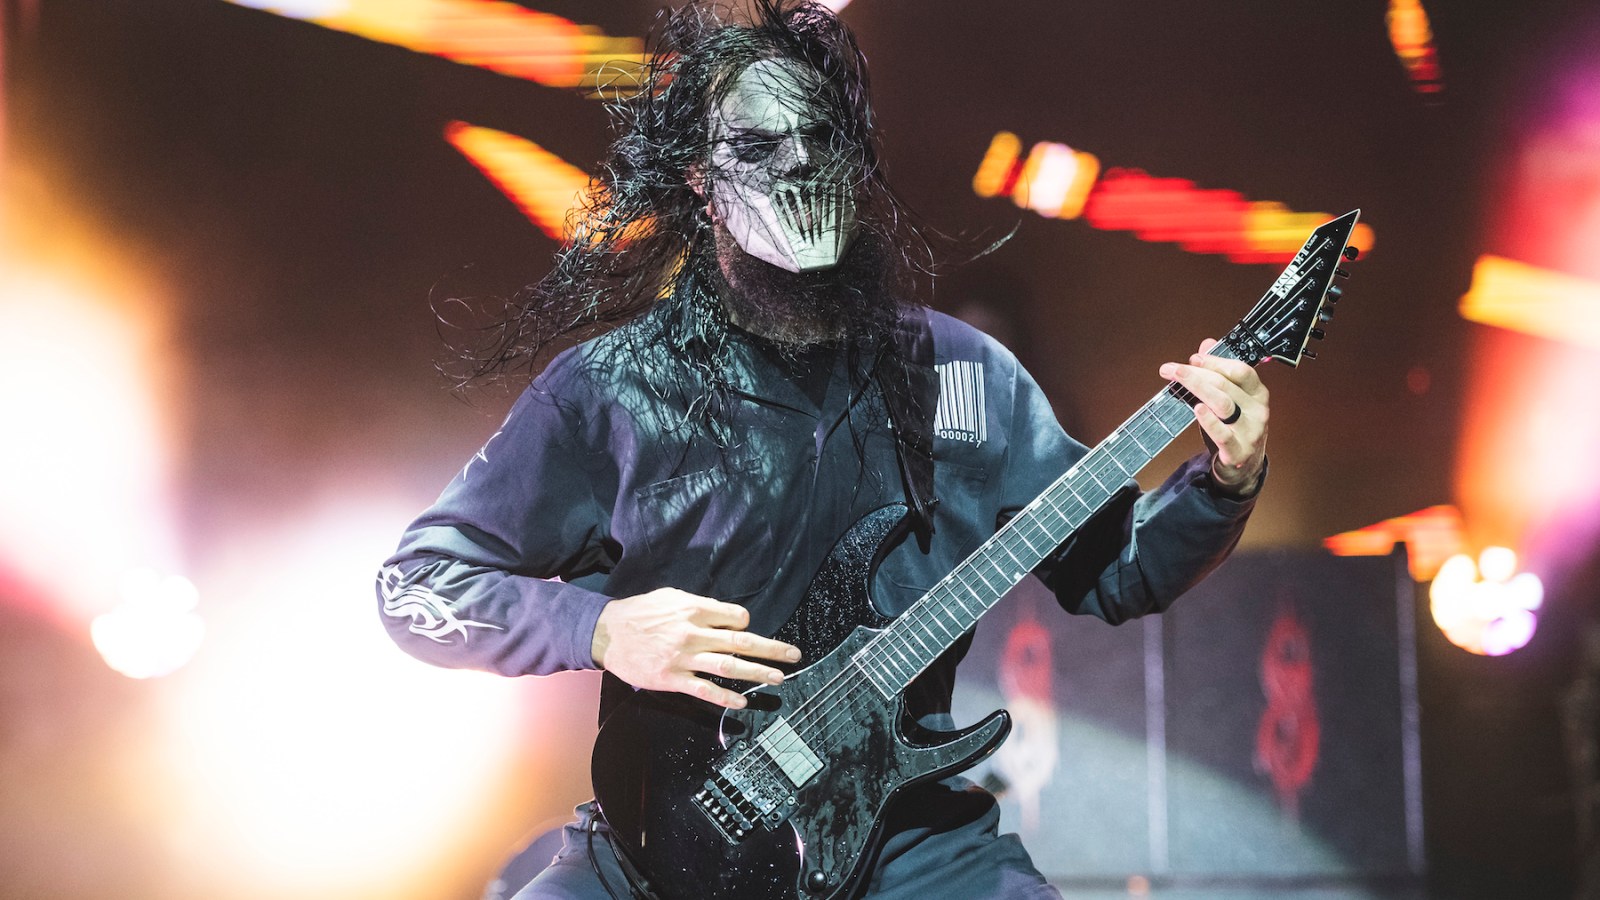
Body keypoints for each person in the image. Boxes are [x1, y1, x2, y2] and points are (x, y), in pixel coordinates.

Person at [377, 2, 1268, 898]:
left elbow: (1120, 568)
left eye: (822, 136)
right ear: (699, 178)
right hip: (665, 842)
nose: (799, 162)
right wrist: (600, 628)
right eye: (757, 145)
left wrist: (1228, 477)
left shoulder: (963, 376)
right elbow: (417, 585)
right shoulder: (614, 389)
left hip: (906, 839)